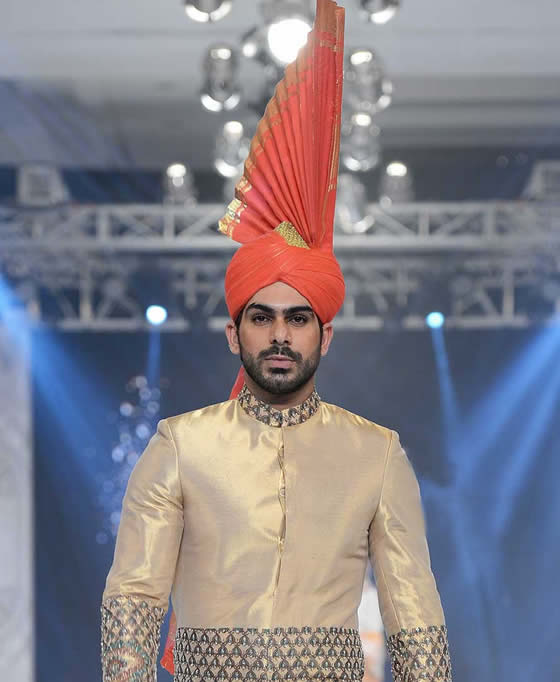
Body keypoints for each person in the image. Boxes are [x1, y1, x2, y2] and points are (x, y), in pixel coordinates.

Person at [100, 1, 453, 681]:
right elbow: (135, 594)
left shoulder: (376, 455)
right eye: (262, 318)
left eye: (298, 318)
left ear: (326, 334)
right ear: (233, 334)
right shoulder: (181, 447)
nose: (281, 335)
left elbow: (412, 607)